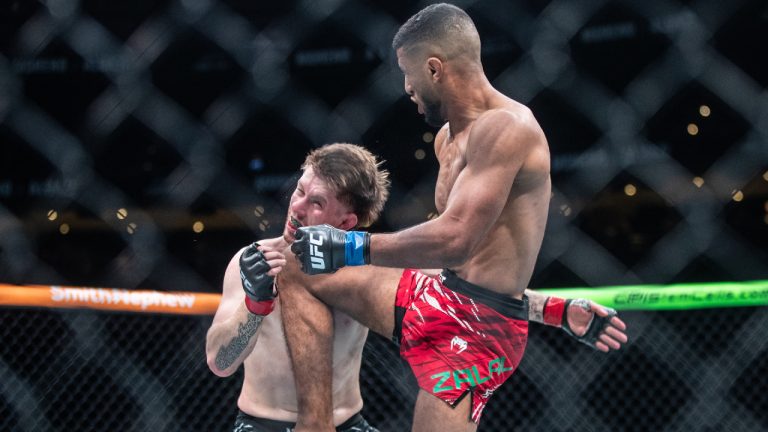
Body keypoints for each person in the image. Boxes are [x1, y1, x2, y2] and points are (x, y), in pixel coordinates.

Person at [283, 4, 628, 432]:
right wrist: (550, 309)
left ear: (434, 69)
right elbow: (463, 262)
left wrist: (350, 247)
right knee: (294, 266)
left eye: (408, 74)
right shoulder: (447, 139)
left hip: (479, 330)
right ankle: (315, 425)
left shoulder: (508, 129)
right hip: (440, 295)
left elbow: (457, 240)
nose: (406, 87)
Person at [205, 143, 390, 431]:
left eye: (316, 203)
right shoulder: (251, 260)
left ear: (346, 222)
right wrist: (255, 304)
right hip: (264, 424)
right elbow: (220, 363)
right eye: (300, 191)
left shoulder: (365, 273)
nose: (297, 207)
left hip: (346, 423)